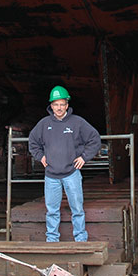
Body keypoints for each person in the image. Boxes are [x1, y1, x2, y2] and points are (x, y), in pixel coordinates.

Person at [28, 85, 101, 242]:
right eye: (56, 104)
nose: (59, 108)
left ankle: (81, 239)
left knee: (77, 209)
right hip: (51, 176)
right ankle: (52, 240)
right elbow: (33, 141)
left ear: (67, 105)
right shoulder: (43, 124)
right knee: (52, 211)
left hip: (72, 173)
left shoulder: (77, 122)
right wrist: (40, 156)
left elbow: (94, 139)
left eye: (62, 104)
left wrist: (84, 157)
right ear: (51, 106)